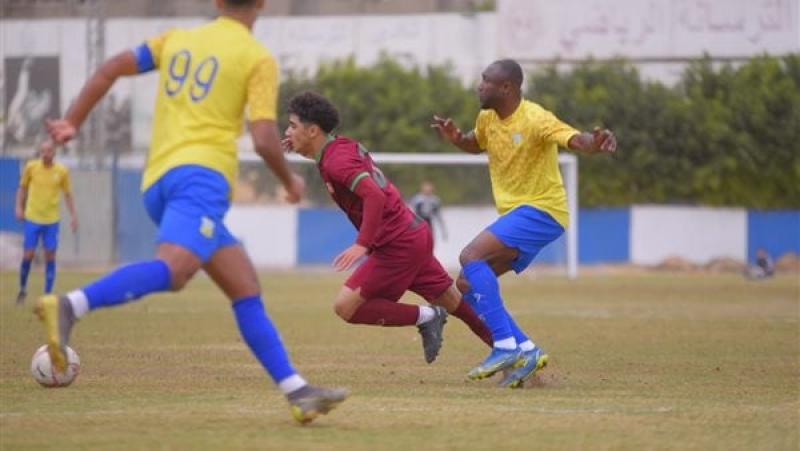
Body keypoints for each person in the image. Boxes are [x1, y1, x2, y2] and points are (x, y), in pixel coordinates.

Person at [39, 0, 346, 424]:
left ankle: (297, 391)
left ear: (217, 2)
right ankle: (71, 305)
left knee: (244, 286)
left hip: (158, 179)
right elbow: (263, 137)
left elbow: (110, 68)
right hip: (200, 178)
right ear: (262, 4)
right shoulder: (256, 57)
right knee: (177, 270)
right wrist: (289, 180)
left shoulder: (176, 40)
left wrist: (72, 121)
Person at [432, 59, 617, 388]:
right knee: (466, 285)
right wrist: (457, 138)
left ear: (507, 87)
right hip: (517, 215)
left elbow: (574, 139)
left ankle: (505, 347)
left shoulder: (535, 117)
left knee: (470, 256)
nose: (479, 86)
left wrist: (594, 143)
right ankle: (528, 351)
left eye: (486, 81)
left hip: (543, 209)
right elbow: (477, 142)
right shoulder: (487, 118)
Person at [283, 91, 492, 364]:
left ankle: (428, 316)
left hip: (398, 244)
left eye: (292, 126)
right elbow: (343, 168)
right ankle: (513, 350)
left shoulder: (336, 161)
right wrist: (300, 147)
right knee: (457, 304)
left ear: (312, 130)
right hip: (413, 234)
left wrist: (362, 243)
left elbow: (374, 195)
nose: (287, 131)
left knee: (346, 307)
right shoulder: (338, 148)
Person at [15, 140, 78, 304]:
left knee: (50, 255)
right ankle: (22, 289)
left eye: (48, 151)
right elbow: (22, 188)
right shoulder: (31, 167)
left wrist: (73, 216)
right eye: (42, 151)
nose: (45, 154)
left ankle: (48, 294)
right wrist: (19, 207)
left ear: (54, 153)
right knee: (28, 255)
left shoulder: (62, 171)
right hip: (32, 218)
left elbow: (68, 194)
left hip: (51, 220)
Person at [409, 181, 447, 245]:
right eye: (426, 189)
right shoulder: (417, 199)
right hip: (418, 222)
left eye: (429, 189)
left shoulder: (435, 200)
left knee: (429, 240)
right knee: (418, 240)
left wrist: (443, 230)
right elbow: (410, 211)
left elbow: (438, 216)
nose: (427, 191)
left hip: (428, 222)